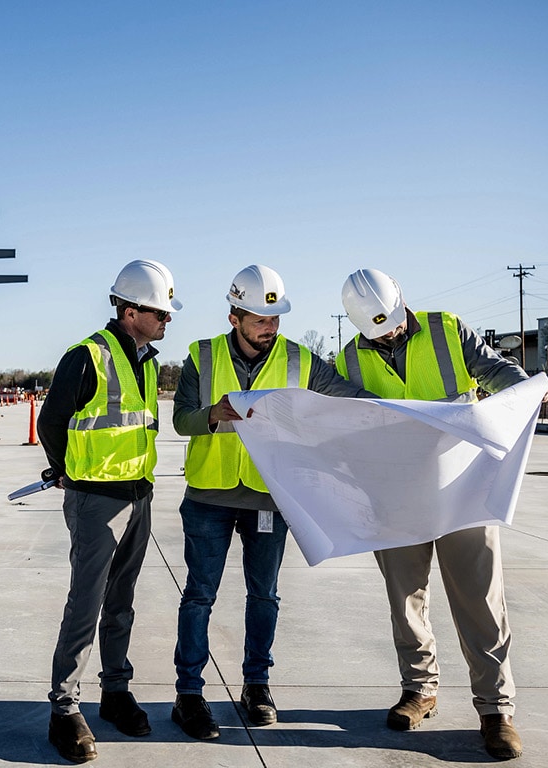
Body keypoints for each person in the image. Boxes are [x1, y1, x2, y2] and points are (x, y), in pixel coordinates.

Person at [337, 268, 548, 761]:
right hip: (397, 498)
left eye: (390, 325)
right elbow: (339, 419)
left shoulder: (447, 329)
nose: (387, 335)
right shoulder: (348, 358)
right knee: (405, 598)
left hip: (463, 491)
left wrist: (530, 389)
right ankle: (419, 689)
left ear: (401, 303)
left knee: (480, 600)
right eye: (376, 331)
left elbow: (501, 374)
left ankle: (496, 711)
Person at [170, 265, 375, 740]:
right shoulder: (201, 356)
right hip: (209, 496)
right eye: (260, 319)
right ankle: (188, 695)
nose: (270, 327)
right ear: (234, 316)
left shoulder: (302, 360)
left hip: (269, 497)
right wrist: (212, 415)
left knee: (264, 595)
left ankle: (256, 686)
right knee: (199, 595)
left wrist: (408, 414)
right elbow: (181, 420)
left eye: (275, 317)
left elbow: (351, 399)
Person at [36, 259, 180, 763]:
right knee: (87, 602)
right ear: (130, 309)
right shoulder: (87, 357)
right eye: (160, 311)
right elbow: (52, 422)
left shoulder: (145, 359)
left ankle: (115, 690)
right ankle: (65, 708)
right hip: (97, 499)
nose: (167, 320)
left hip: (138, 495)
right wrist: (67, 473)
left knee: (122, 601)